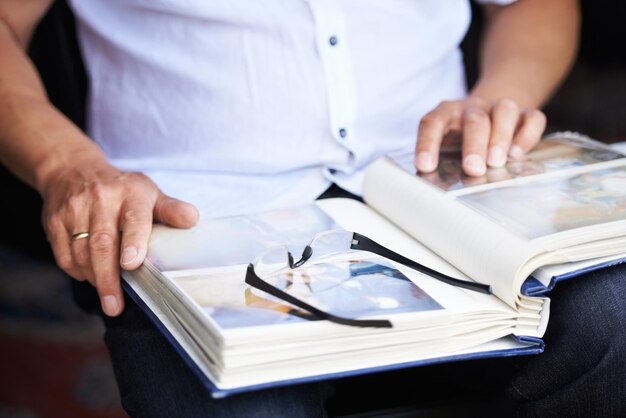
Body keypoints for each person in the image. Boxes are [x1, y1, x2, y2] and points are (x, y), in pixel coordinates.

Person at [1, 0, 625, 416]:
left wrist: (501, 96)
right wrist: (65, 163)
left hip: (441, 183)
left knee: (614, 324)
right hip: (197, 214)